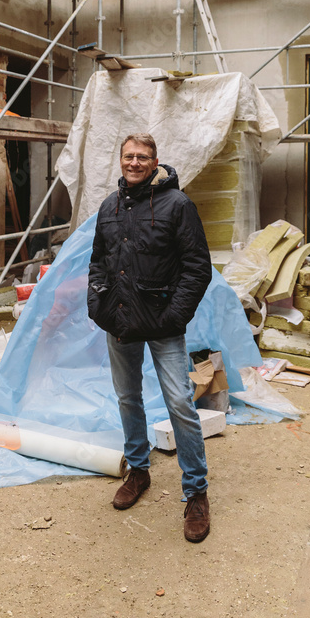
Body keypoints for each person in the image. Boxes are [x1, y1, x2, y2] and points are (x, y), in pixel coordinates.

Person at [87, 132, 213, 542]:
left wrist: (173, 316)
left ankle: (196, 491)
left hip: (162, 324)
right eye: (129, 156)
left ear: (155, 160)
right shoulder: (109, 206)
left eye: (143, 156)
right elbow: (98, 263)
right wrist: (98, 303)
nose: (135, 163)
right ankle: (138, 471)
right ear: (120, 159)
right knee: (128, 397)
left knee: (179, 401)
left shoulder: (178, 205)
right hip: (120, 320)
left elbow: (198, 268)